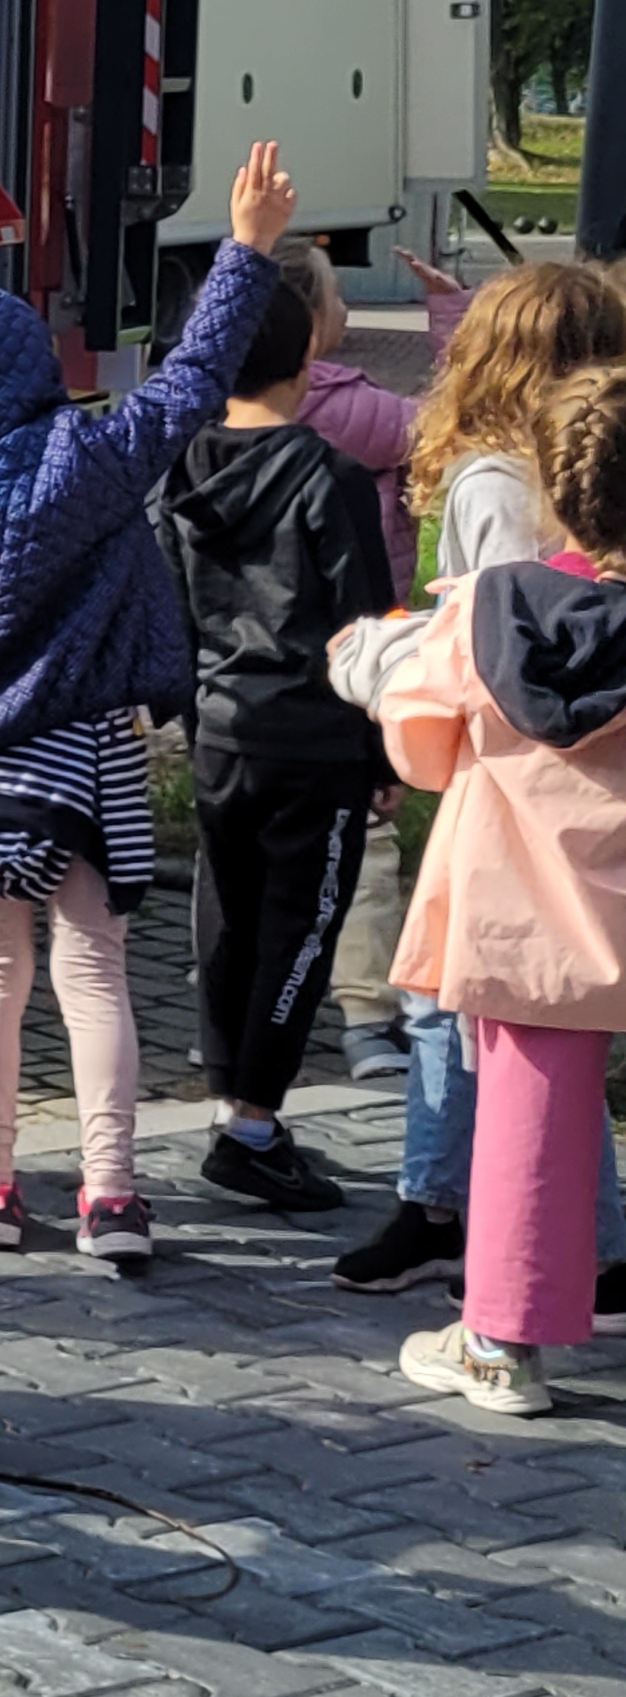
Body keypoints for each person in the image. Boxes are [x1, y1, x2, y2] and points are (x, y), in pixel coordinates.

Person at [0, 137, 298, 1268]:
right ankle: (112, 1199)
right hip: (94, 757)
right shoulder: (91, 458)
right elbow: (192, 381)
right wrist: (247, 252)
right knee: (94, 972)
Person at [332, 259, 626, 1303]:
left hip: (504, 789)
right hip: (578, 796)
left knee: (463, 1011)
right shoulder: (585, 470)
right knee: (550, 1031)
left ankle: (454, 1219)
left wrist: (378, 661)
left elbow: (491, 645)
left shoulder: (495, 482)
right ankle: (580, 1243)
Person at [151, 264, 394, 1213]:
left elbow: (173, 610)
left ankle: (231, 1099)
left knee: (228, 915)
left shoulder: (181, 469)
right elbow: (367, 628)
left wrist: (192, 711)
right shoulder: (330, 477)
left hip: (221, 728)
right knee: (302, 928)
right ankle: (254, 1126)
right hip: (316, 740)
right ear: (309, 359)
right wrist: (383, 754)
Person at [262, 238, 464, 1082]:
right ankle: (366, 1013)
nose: (348, 309)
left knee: (259, 839)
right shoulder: (347, 407)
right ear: (309, 328)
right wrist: (452, 318)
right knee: (365, 835)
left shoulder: (226, 411)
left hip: (260, 651)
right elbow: (448, 427)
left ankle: (240, 1002)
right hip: (353, 646)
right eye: (337, 297)